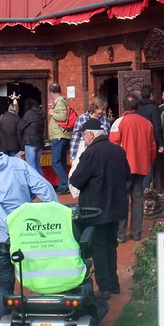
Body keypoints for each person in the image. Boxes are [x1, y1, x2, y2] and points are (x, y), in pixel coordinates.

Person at [0, 128, 57, 326]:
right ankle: (38, 323)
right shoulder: (17, 165)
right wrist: (54, 211)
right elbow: (45, 189)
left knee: (6, 281)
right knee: (34, 276)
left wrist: (11, 226)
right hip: (23, 231)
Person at [70, 118, 130, 299]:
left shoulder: (91, 153)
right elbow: (127, 175)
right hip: (116, 207)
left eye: (84, 136)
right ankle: (113, 284)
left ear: (90, 134)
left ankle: (104, 287)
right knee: (111, 246)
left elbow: (76, 180)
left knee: (98, 247)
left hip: (96, 210)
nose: (84, 139)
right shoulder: (118, 150)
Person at [110, 95, 157, 243]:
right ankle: (136, 233)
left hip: (124, 167)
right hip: (141, 166)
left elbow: (113, 146)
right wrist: (147, 162)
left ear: (124, 107)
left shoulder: (120, 122)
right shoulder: (147, 123)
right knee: (138, 199)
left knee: (122, 200)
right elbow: (152, 147)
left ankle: (120, 234)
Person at [136, 86, 164, 191]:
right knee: (148, 166)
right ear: (151, 95)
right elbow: (157, 127)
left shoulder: (137, 107)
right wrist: (161, 143)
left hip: (136, 140)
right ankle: (146, 191)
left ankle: (138, 191)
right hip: (149, 140)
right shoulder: (154, 108)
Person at [47, 83, 72, 194]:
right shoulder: (63, 102)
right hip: (61, 135)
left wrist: (52, 112)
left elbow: (62, 117)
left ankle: (65, 184)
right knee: (60, 161)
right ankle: (64, 184)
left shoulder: (60, 103)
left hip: (59, 136)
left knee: (56, 162)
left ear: (51, 93)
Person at [69, 97, 111, 164]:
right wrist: (73, 156)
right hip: (84, 147)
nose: (103, 112)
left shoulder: (104, 119)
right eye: (102, 109)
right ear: (95, 107)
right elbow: (75, 138)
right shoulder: (82, 118)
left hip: (100, 149)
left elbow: (106, 136)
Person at [17, 98, 45, 174]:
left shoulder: (29, 114)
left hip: (30, 142)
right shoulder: (40, 114)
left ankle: (36, 184)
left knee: (31, 166)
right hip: (40, 142)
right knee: (37, 165)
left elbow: (20, 127)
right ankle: (43, 182)